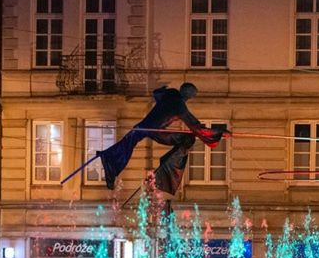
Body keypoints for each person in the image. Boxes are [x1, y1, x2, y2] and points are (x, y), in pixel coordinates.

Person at [95, 82, 228, 194]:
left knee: (125, 145)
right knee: (188, 138)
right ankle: (167, 165)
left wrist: (162, 89)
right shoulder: (180, 106)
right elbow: (196, 126)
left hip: (142, 126)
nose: (192, 98)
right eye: (192, 95)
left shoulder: (170, 94)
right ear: (188, 94)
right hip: (157, 131)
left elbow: (157, 93)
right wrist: (219, 133)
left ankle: (109, 163)